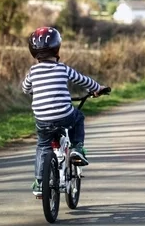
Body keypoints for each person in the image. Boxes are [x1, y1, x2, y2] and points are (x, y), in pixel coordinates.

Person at [22, 27, 105, 196]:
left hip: (42, 118)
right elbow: (84, 81)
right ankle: (76, 148)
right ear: (57, 48)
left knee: (43, 146)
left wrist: (35, 91)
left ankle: (39, 182)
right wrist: (98, 88)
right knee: (78, 117)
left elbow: (25, 88)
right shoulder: (63, 69)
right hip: (64, 114)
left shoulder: (33, 71)